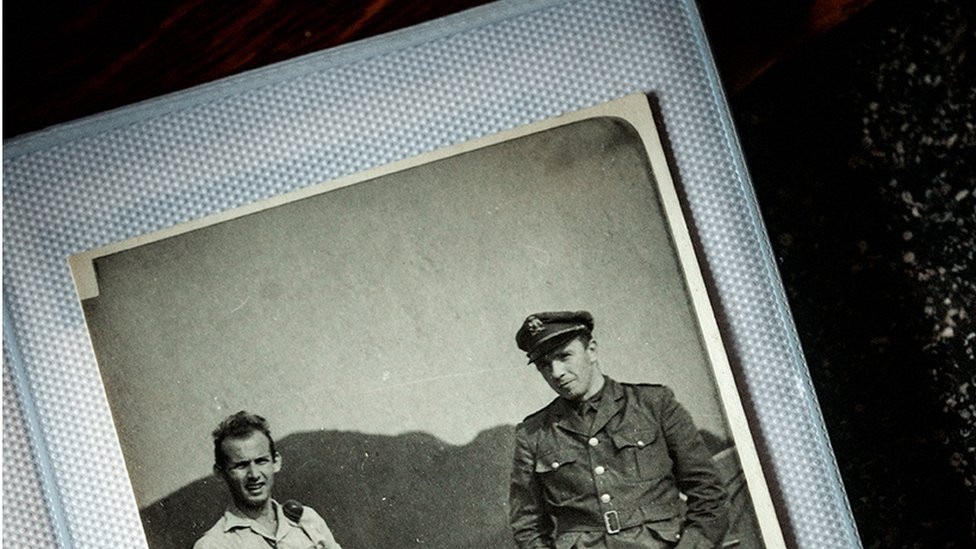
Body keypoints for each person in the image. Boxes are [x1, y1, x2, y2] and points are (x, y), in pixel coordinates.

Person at [509, 311, 729, 549]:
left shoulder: (654, 405)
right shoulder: (533, 433)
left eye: (565, 356)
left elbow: (709, 493)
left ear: (591, 350)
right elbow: (527, 523)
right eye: (544, 364)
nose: (556, 372)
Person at [194, 411, 343, 549]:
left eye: (261, 461)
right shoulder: (214, 545)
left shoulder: (307, 520)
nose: (254, 474)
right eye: (241, 465)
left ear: (276, 462)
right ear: (220, 473)